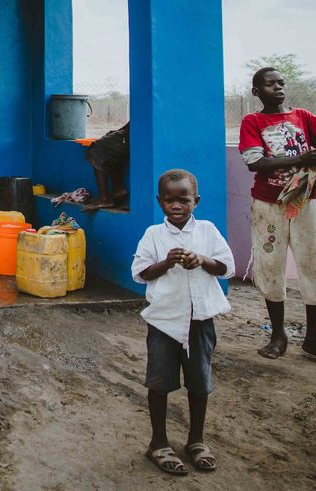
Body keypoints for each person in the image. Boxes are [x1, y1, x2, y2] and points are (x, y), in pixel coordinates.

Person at [240, 67, 316, 370]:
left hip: (305, 204)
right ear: (256, 92)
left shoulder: (303, 117)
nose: (277, 88)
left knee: (314, 265)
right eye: (269, 84)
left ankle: (314, 339)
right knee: (270, 267)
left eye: (280, 83)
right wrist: (301, 158)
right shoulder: (253, 121)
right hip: (268, 206)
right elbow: (255, 162)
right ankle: (278, 336)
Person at [131, 169, 234, 476]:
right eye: (169, 200)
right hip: (164, 322)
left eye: (183, 200)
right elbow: (140, 273)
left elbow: (227, 267)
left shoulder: (207, 231)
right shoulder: (153, 235)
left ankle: (197, 440)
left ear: (196, 201)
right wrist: (166, 262)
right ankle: (159, 443)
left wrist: (201, 259)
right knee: (159, 382)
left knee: (199, 384)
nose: (176, 205)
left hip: (200, 321)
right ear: (159, 201)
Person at [82, 122, 130, 211]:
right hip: (130, 132)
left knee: (96, 149)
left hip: (134, 135)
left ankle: (104, 198)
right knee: (108, 145)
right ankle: (118, 188)